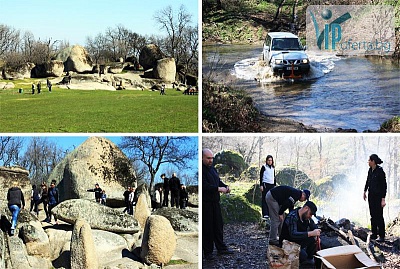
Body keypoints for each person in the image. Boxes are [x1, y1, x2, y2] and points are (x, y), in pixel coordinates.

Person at [202, 148, 234, 260]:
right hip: (206, 204)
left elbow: (218, 181)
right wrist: (218, 189)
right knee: (208, 228)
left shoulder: (213, 169)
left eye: (212, 158)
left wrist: (225, 186)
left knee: (218, 225)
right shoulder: (202, 171)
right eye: (208, 158)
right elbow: (204, 186)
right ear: (202, 158)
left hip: (215, 202)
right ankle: (208, 252)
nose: (211, 160)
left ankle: (221, 248)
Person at [279, 201, 320, 266]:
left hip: (298, 242)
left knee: (313, 240)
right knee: (303, 256)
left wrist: (316, 232)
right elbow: (293, 234)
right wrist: (311, 233)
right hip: (288, 243)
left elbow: (314, 226)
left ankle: (309, 260)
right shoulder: (292, 216)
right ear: (306, 208)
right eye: (310, 214)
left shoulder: (306, 217)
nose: (310, 216)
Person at [363, 154, 387, 242]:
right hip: (371, 196)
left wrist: (383, 199)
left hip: (378, 196)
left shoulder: (380, 171)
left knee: (379, 215)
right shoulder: (370, 170)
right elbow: (367, 181)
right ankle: (374, 233)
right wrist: (364, 191)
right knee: (372, 215)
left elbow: (384, 186)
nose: (368, 162)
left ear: (373, 161)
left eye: (369, 160)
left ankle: (381, 235)